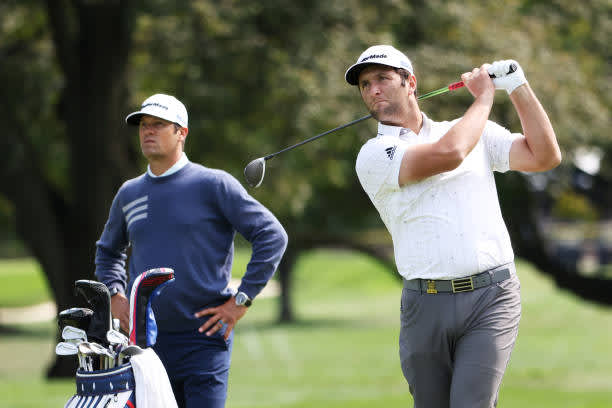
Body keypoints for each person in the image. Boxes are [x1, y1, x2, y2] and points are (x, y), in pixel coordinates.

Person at [345, 45, 561, 407]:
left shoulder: (472, 132)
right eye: (365, 85)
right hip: (424, 303)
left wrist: (518, 86)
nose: (373, 90)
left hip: (492, 296)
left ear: (410, 82)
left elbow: (545, 156)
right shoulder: (373, 154)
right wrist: (484, 98)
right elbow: (449, 155)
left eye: (382, 78)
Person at [94, 93, 288, 407]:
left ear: (182, 132)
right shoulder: (129, 193)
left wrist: (242, 299)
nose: (148, 131)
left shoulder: (214, 185)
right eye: (143, 125)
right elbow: (108, 251)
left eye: (159, 125)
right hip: (144, 344)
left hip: (204, 338)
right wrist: (115, 293)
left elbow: (272, 235)